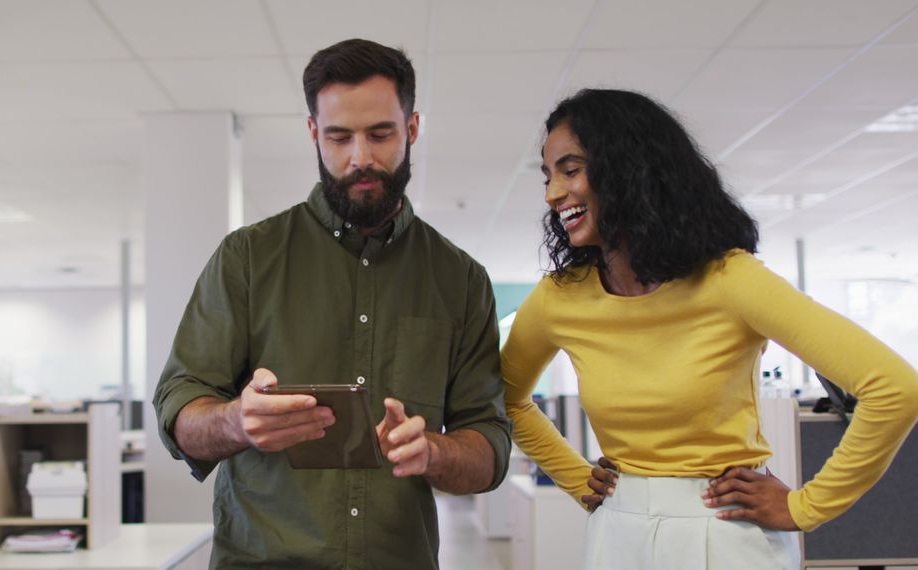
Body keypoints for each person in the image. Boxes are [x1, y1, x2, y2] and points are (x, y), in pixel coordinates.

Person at [502, 88, 918, 570]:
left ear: (628, 170)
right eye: (549, 175)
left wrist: (807, 506)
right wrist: (575, 477)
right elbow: (503, 396)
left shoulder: (731, 280)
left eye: (570, 170)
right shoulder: (561, 296)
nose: (553, 193)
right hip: (617, 531)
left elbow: (894, 388)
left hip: (725, 532)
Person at [153, 38, 511, 570]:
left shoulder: (460, 280)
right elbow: (179, 408)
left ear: (412, 130)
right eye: (339, 137)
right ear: (313, 133)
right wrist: (236, 421)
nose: (360, 158)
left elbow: (488, 445)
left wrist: (434, 452)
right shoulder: (247, 258)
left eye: (380, 134)